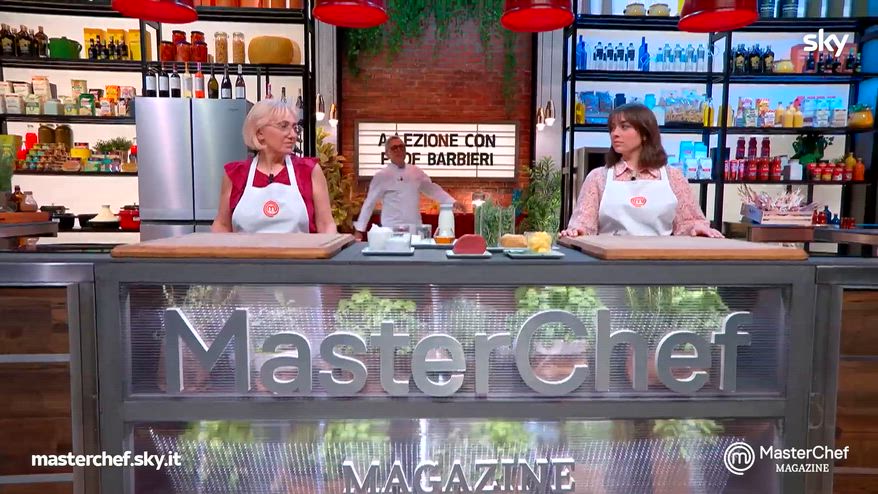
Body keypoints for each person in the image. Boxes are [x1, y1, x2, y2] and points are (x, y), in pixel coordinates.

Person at [560, 103, 722, 238]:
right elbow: (583, 224)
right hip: (610, 262)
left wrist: (697, 228)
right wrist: (577, 231)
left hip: (661, 262)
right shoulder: (598, 178)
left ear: (645, 134)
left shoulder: (673, 177)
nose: (615, 133)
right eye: (612, 128)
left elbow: (689, 223)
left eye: (624, 127)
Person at [212, 98, 336, 234]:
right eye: (283, 126)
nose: (293, 135)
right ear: (260, 133)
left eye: (294, 127)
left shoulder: (308, 170)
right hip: (246, 249)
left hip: (299, 249)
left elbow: (326, 225)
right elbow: (222, 225)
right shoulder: (235, 174)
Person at [353, 135, 461, 240]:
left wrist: (452, 202)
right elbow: (369, 203)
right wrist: (359, 230)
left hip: (415, 230)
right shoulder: (381, 176)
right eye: (394, 148)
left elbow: (432, 189)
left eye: (401, 147)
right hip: (391, 231)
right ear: (387, 154)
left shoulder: (415, 172)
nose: (398, 150)